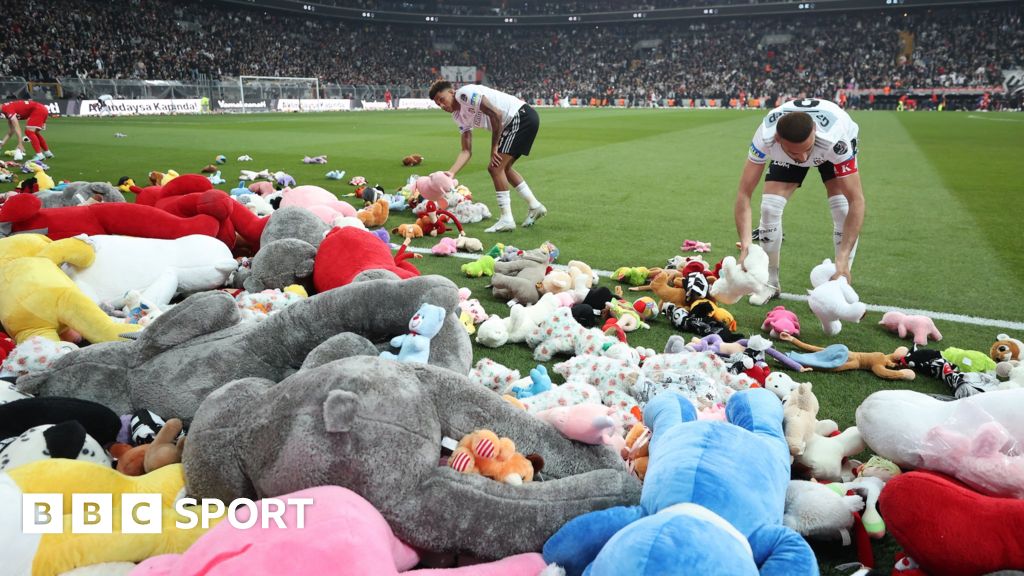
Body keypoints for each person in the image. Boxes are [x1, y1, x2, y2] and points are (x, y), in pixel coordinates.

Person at [734, 97, 864, 304]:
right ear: (778, 139)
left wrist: (842, 258)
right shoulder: (765, 137)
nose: (804, 159)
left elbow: (857, 200)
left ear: (814, 130)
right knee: (769, 207)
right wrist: (746, 248)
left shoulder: (836, 140)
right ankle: (769, 283)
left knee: (842, 207)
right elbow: (744, 194)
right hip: (791, 152)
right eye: (797, 152)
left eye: (807, 149)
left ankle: (841, 277)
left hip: (827, 151)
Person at [429, 79, 546, 232]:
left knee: (495, 168)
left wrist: (494, 147)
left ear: (452, 92)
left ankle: (506, 218)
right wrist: (452, 172)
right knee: (505, 168)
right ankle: (535, 206)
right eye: (438, 104)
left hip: (519, 116)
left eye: (442, 99)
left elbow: (496, 114)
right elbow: (466, 150)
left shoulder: (465, 94)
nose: (442, 105)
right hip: (516, 121)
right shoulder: (458, 116)